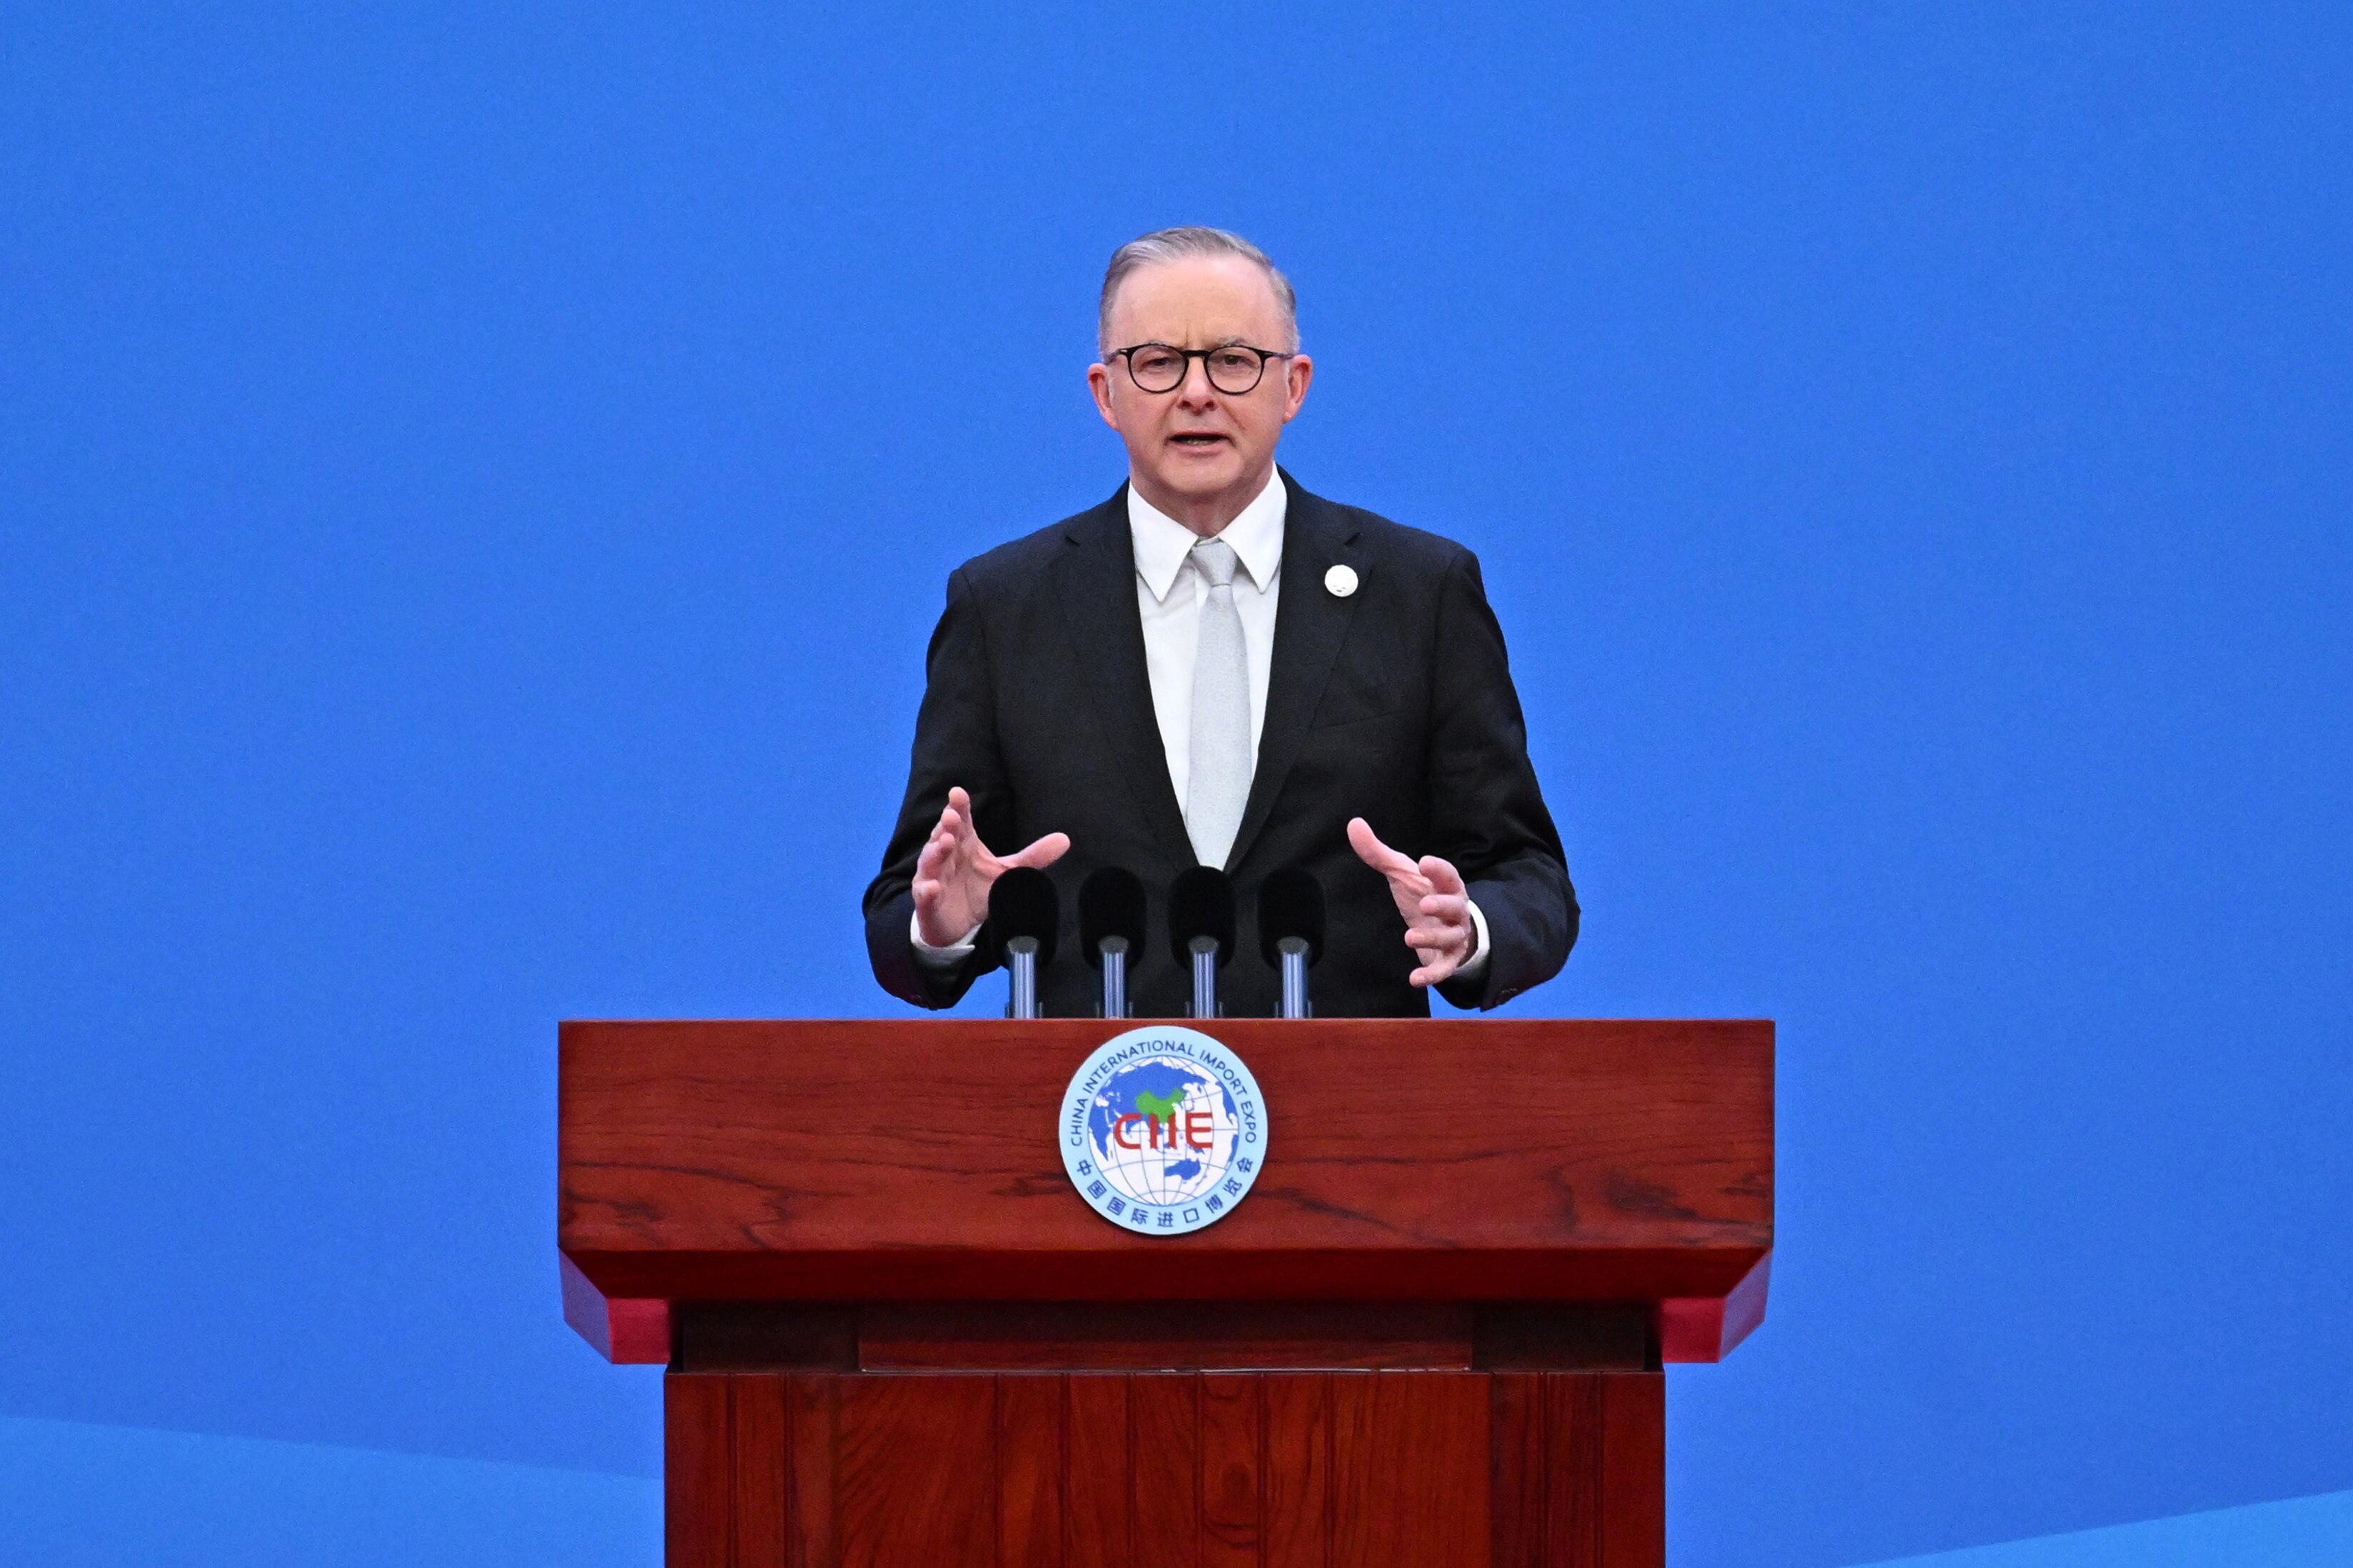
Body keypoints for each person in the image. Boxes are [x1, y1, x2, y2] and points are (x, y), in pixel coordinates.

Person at [863, 226, 1576, 1018]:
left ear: (1293, 387)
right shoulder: (1005, 606)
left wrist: (1469, 926)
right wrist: (944, 928)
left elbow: (1527, 875)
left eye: (1233, 361)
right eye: (1158, 361)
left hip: (1351, 1087)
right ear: (1105, 393)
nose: (1196, 393)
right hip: (1096, 1093)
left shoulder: (1418, 592)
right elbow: (904, 909)